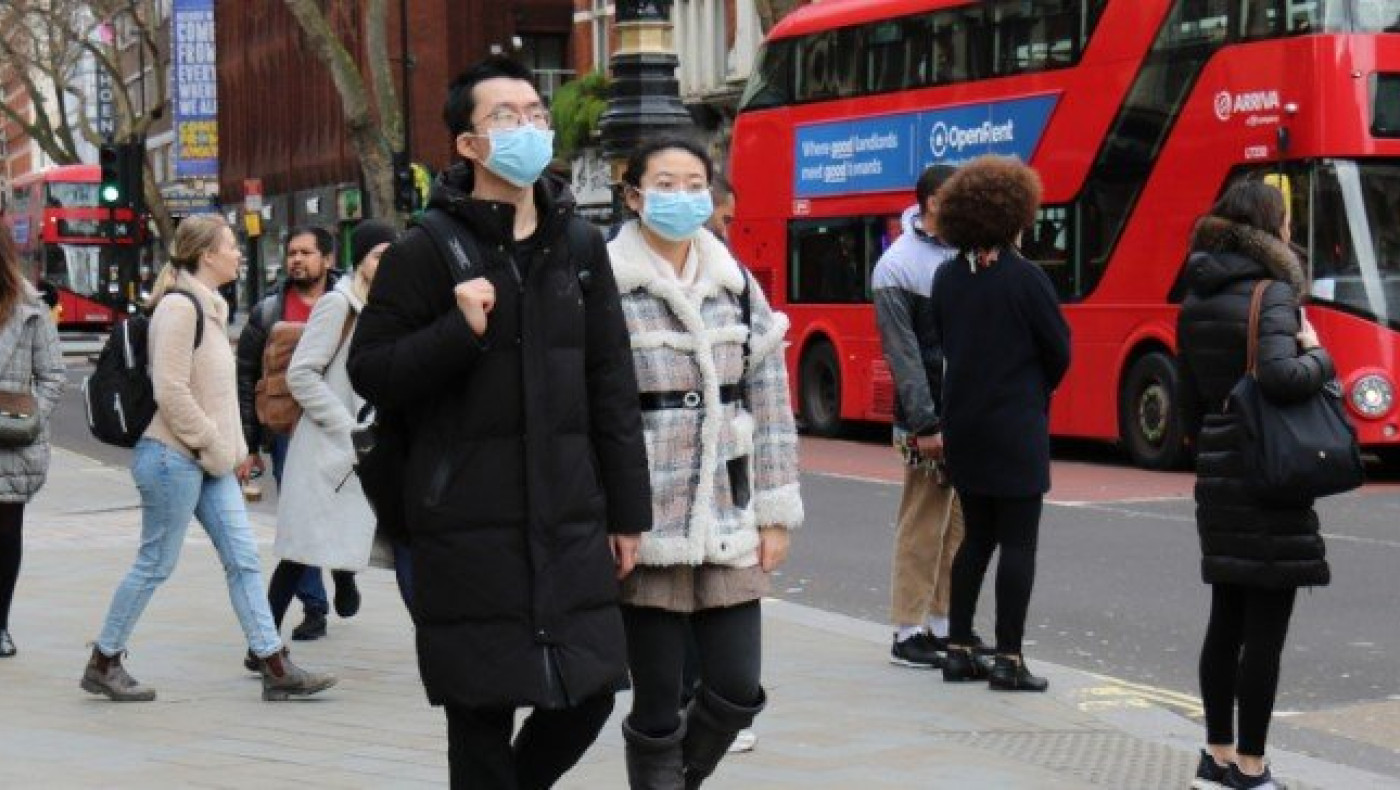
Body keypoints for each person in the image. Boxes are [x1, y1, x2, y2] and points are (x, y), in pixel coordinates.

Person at [347, 56, 651, 789]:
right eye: (505, 117)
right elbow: (372, 370)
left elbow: (611, 380)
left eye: (535, 114)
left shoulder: (579, 246)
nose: (528, 126)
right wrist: (458, 329)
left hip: (570, 512)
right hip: (465, 518)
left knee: (589, 695)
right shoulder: (426, 250)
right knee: (479, 712)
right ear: (468, 146)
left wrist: (629, 515)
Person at [607, 136, 803, 789]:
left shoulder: (735, 284)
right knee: (658, 702)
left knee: (736, 686)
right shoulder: (605, 283)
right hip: (647, 517)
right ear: (633, 194)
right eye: (666, 182)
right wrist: (611, 514)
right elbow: (588, 411)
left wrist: (775, 511)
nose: (683, 195)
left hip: (726, 512)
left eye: (696, 183)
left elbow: (772, 404)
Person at [81, 215, 335, 702]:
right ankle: (104, 659)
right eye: (231, 245)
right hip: (173, 458)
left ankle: (274, 664)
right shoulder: (179, 307)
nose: (239, 253)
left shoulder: (210, 308)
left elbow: (217, 395)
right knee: (155, 562)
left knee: (244, 561)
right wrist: (215, 447)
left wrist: (233, 453)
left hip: (209, 462)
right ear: (206, 255)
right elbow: (171, 391)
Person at [1177, 179, 1332, 790]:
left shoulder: (1195, 295)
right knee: (1265, 628)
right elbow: (1279, 376)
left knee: (1226, 616)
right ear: (1272, 227)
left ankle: (1215, 757)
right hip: (1269, 471)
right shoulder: (1271, 295)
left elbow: (1190, 400)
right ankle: (1251, 766)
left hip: (1219, 470)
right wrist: (1320, 357)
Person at [930, 155, 1070, 693]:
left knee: (975, 539)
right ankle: (1009, 657)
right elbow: (1059, 351)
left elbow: (944, 339)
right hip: (1015, 424)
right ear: (1016, 214)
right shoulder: (1027, 279)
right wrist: (1034, 386)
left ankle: (960, 648)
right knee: (1019, 543)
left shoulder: (947, 277)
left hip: (964, 422)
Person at [246, 220, 399, 670]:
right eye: (377, 256)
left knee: (354, 534)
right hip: (327, 447)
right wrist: (346, 426)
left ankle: (346, 577)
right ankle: (261, 646)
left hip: (366, 447)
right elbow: (301, 375)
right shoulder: (339, 305)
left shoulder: (390, 308)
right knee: (301, 553)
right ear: (360, 260)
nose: (385, 264)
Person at [872, 164, 966, 670]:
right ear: (932, 202)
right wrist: (926, 424)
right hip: (925, 418)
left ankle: (945, 623)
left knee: (956, 526)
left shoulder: (962, 251)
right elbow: (903, 355)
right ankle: (907, 630)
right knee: (923, 520)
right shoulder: (898, 265)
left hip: (961, 412)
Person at [235, 225, 347, 641]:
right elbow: (245, 377)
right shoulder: (269, 312)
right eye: (292, 252)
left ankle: (345, 574)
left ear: (328, 260)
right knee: (300, 518)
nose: (297, 259)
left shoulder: (349, 305)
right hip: (288, 430)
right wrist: (250, 445)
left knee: (343, 507)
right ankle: (314, 604)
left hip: (339, 426)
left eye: (306, 252)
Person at [0, 223, 66, 658]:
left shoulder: (29, 308)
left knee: (5, 536)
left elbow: (53, 374)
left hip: (10, 442)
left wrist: (29, 417)